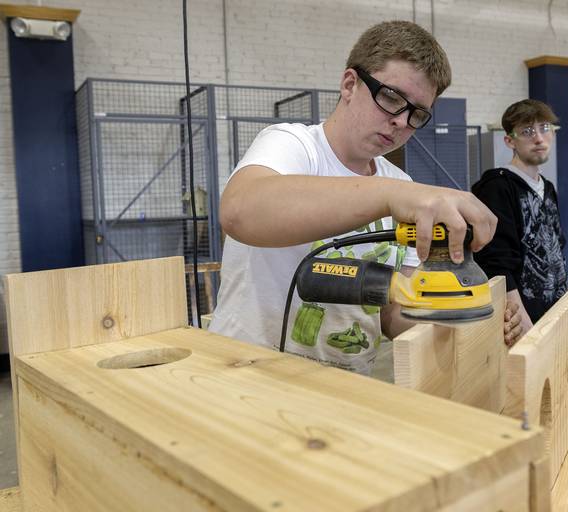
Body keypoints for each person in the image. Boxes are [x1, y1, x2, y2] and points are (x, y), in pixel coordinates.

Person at [210, 21, 521, 375]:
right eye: (391, 98)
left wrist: (458, 319)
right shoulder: (293, 145)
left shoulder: (399, 183)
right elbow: (240, 212)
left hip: (347, 389)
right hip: (247, 377)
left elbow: (392, 315)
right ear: (349, 84)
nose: (401, 122)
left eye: (416, 113)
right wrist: (391, 195)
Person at [471, 99, 568, 339]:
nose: (538, 138)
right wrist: (526, 330)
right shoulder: (497, 186)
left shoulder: (548, 188)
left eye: (545, 128)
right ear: (509, 140)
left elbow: (556, 250)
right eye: (527, 131)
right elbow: (496, 262)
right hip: (520, 322)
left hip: (554, 314)